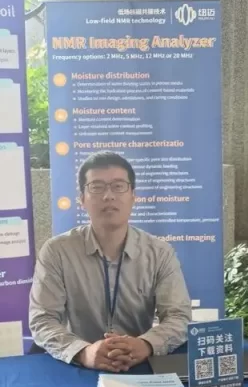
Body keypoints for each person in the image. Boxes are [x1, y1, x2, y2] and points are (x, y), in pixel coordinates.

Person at [29, 152, 192, 371]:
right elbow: (43, 319)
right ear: (82, 199)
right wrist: (83, 352)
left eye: (118, 186)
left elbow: (179, 317)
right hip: (77, 366)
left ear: (133, 196)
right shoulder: (57, 251)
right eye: (97, 187)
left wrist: (146, 344)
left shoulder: (160, 253)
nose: (108, 196)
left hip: (138, 364)